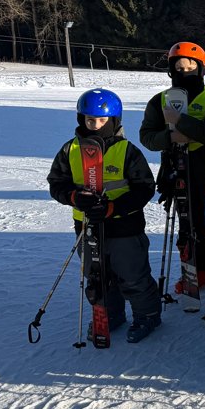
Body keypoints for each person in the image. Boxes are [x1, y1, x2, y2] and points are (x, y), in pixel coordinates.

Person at [48, 89, 161, 343]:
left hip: (124, 227)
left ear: (114, 120)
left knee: (132, 274)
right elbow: (57, 183)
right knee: (98, 275)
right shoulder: (70, 150)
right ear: (81, 119)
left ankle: (147, 314)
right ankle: (110, 313)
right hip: (87, 226)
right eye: (90, 120)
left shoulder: (126, 151)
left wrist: (113, 208)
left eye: (102, 120)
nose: (96, 126)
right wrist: (74, 197)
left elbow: (144, 188)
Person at [140, 42, 205, 293]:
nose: (184, 72)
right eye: (179, 68)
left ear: (201, 69)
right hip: (177, 167)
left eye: (190, 68)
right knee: (189, 221)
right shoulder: (160, 100)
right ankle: (199, 270)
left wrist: (181, 123)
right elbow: (147, 137)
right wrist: (170, 137)